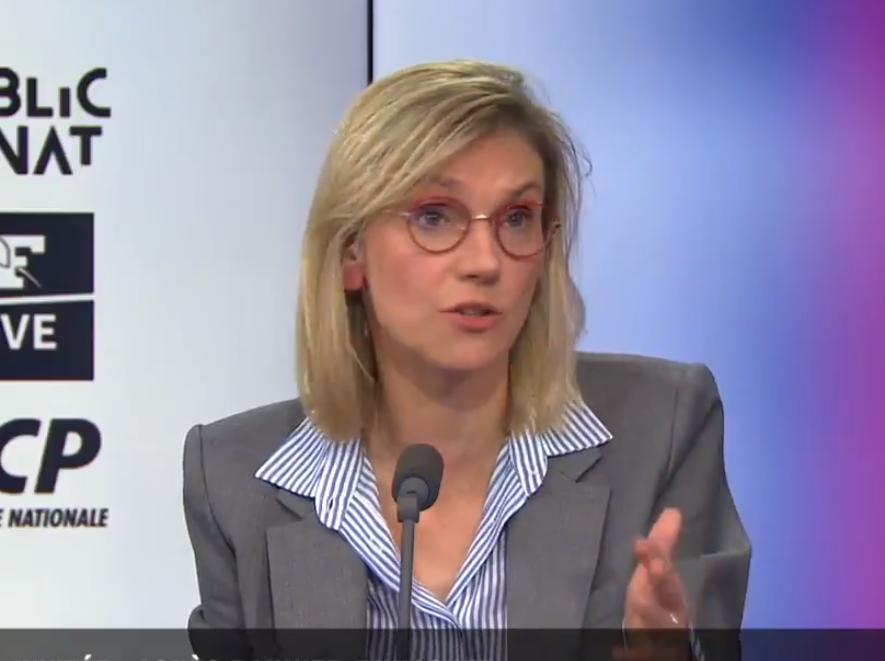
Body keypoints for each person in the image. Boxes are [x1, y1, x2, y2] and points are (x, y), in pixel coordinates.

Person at [182, 60, 750, 661]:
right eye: (434, 216)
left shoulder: (661, 429)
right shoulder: (234, 482)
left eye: (517, 218)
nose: (485, 261)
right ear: (351, 252)